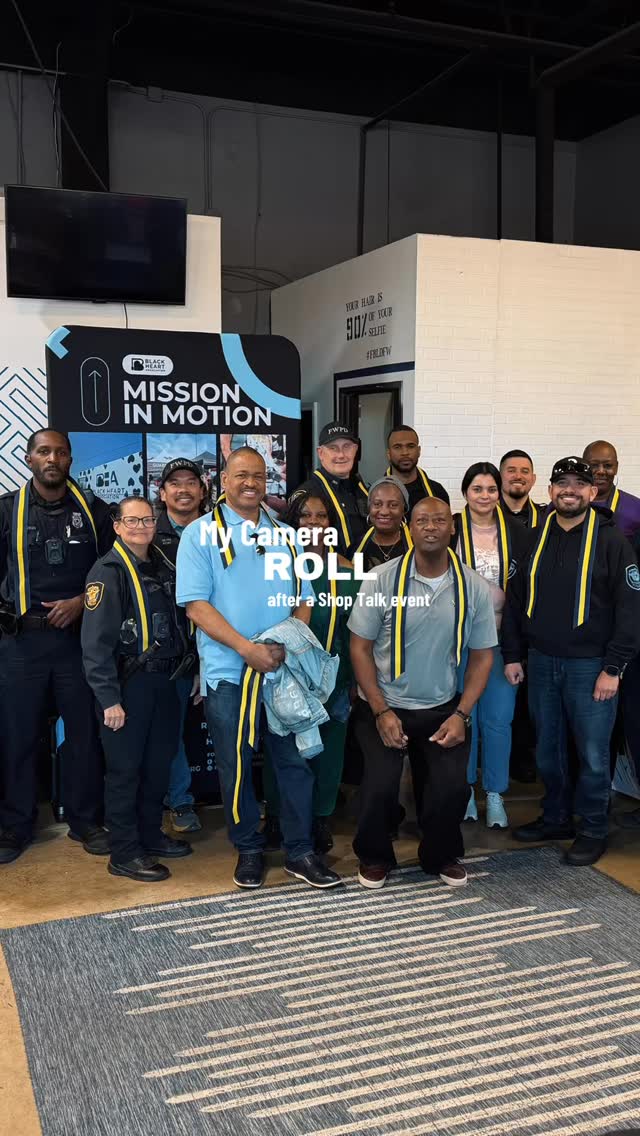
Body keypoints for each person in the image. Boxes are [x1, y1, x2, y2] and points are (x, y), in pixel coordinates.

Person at [176, 446, 342, 891]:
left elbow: (303, 598)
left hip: (281, 672)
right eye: (241, 475)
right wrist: (247, 649)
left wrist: (284, 644)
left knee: (294, 762)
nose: (251, 483)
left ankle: (300, 851)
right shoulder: (200, 534)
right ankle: (248, 847)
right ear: (223, 481)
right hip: (230, 673)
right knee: (235, 765)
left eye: (259, 476)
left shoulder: (286, 535)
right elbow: (195, 606)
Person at [348, 496, 496, 888]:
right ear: (409, 528)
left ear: (452, 527)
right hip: (384, 704)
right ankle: (375, 855)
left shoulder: (473, 586)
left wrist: (461, 714)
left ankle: (440, 854)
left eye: (439, 520)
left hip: (442, 707)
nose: (431, 527)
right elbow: (359, 648)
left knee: (451, 788)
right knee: (379, 786)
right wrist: (380, 711)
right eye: (422, 521)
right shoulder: (380, 579)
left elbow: (483, 656)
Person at [503, 456, 640, 866]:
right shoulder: (534, 537)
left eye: (579, 484)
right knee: (548, 749)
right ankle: (556, 818)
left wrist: (613, 668)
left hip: (592, 668)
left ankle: (594, 828)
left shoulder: (612, 542)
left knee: (593, 756)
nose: (569, 490)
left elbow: (631, 609)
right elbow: (514, 600)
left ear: (592, 491)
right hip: (542, 662)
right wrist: (513, 654)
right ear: (549, 491)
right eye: (561, 483)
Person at [0, 429, 114, 865]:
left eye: (61, 452)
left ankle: (86, 821)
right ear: (29, 458)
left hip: (77, 642)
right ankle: (16, 824)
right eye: (44, 451)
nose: (53, 458)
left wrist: (81, 603)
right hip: (21, 643)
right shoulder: (7, 510)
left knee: (84, 734)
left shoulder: (95, 511)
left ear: (70, 459)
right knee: (18, 736)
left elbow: (113, 573)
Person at [81, 496, 193, 882]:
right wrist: (109, 699)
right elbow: (95, 646)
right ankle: (125, 853)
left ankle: (150, 835)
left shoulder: (163, 564)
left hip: (167, 680)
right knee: (125, 772)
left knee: (157, 766)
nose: (141, 527)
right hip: (128, 686)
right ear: (116, 526)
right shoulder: (107, 571)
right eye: (132, 521)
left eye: (147, 520)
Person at [262, 492, 359, 853]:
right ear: (292, 522)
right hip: (285, 679)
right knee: (282, 750)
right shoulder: (275, 566)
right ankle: (276, 816)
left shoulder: (346, 572)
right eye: (305, 516)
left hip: (333, 680)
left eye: (321, 516)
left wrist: (353, 680)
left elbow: (356, 632)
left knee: (329, 752)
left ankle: (320, 818)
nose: (313, 523)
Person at [453, 462, 531, 829]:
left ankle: (496, 793)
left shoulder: (518, 532)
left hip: (502, 642)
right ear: (465, 492)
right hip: (458, 643)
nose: (484, 496)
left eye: (490, 489)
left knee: (498, 719)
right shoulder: (451, 528)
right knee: (463, 716)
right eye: (477, 489)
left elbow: (524, 595)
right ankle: (465, 789)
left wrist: (517, 650)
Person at [155, 458, 206, 835]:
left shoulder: (220, 531)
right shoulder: (147, 534)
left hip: (221, 645)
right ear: (162, 493)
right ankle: (180, 800)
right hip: (169, 651)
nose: (183, 489)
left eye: (191, 482)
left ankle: (242, 803)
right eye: (175, 483)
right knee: (169, 731)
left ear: (202, 491)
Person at [289, 421, 368, 557]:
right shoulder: (307, 494)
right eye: (333, 448)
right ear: (320, 453)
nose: (341, 455)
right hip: (330, 569)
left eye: (347, 447)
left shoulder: (360, 488)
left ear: (355, 449)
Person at [583, 439, 640, 541]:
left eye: (608, 465)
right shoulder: (567, 506)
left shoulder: (636, 508)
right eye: (594, 465)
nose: (601, 471)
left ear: (616, 467)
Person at [385, 424, 449, 514]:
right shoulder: (376, 494)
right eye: (397, 447)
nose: (405, 452)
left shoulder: (437, 492)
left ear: (419, 451)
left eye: (410, 446)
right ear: (388, 453)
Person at [355, 476, 412, 571]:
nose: (384, 512)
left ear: (404, 509)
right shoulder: (355, 548)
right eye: (377, 504)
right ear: (369, 508)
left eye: (393, 505)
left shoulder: (418, 547)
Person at [499, 450, 543, 529]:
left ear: (533, 479)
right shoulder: (486, 515)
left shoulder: (546, 517)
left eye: (525, 471)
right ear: (498, 477)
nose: (518, 476)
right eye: (511, 471)